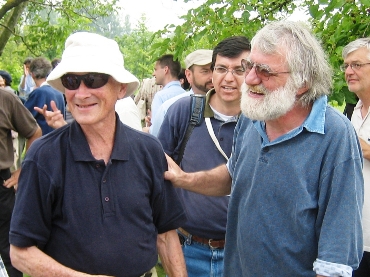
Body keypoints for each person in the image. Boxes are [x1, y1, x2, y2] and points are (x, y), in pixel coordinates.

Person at [164, 21, 364, 277]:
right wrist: (183, 179)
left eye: (265, 71)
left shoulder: (335, 135)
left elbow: (336, 256)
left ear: (302, 81)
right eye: (250, 66)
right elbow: (234, 176)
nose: (249, 79)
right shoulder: (253, 115)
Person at [9, 31, 187, 277]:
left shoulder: (148, 150)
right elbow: (20, 252)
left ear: (121, 88)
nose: (81, 93)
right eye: (72, 81)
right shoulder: (44, 156)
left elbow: (166, 236)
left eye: (94, 80)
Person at [158, 37, 250, 277]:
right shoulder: (184, 112)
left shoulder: (262, 122)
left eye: (239, 70)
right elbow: (159, 175)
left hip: (242, 254)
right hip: (188, 250)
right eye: (221, 69)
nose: (228, 78)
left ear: (251, 73)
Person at [0, 88, 42, 277]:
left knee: (8, 249)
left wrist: (22, 170)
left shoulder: (5, 98)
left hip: (1, 185)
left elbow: (34, 132)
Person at [341, 38, 370, 277]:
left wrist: (360, 147)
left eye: (357, 65)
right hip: (350, 240)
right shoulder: (351, 110)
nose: (349, 71)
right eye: (346, 66)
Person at [150, 49, 214, 136]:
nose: (212, 77)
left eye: (215, 70)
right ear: (189, 75)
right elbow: (157, 143)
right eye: (205, 71)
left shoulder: (231, 107)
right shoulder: (170, 108)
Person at [24, 57, 65, 135]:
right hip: (59, 138)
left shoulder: (39, 93)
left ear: (32, 75)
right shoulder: (59, 91)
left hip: (43, 139)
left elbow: (23, 117)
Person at [150, 54, 185, 121]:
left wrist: (149, 129)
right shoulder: (188, 95)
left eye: (155, 69)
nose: (153, 74)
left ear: (165, 69)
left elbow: (157, 130)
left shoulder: (160, 97)